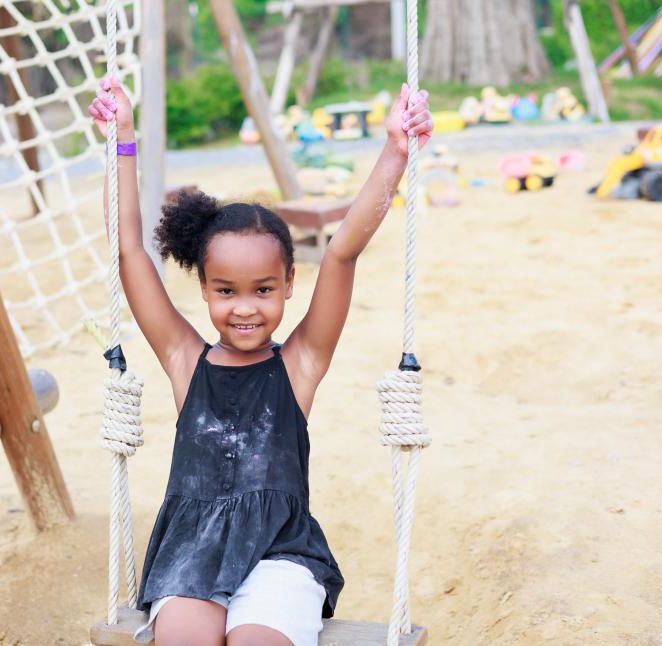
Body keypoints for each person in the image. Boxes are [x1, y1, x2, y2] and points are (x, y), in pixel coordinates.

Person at [88, 77, 433, 646]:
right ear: (203, 288)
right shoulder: (184, 360)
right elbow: (128, 250)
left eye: (263, 290)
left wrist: (396, 150)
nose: (244, 308)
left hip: (280, 555)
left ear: (290, 285)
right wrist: (123, 138)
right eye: (226, 291)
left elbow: (343, 250)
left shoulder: (299, 364)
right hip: (192, 553)